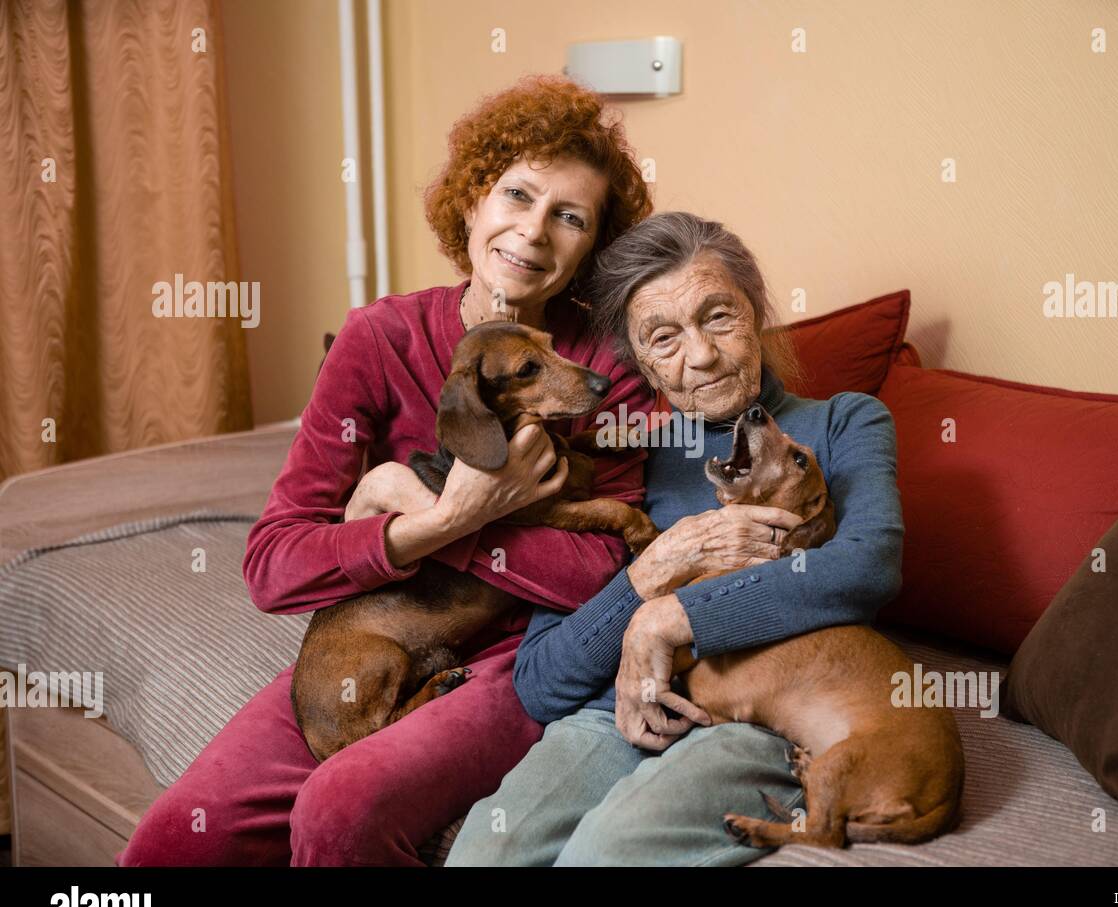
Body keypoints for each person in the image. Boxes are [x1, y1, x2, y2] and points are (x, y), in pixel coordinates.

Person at [116, 75, 656, 866]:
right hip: (377, 641)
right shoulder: (381, 338)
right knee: (170, 844)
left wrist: (458, 520)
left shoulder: (608, 364)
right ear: (472, 201)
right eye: (516, 195)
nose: (533, 232)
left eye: (568, 217)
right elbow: (272, 566)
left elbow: (611, 571)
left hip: (515, 659)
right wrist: (435, 523)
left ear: (592, 249)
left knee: (341, 812)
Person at [445, 211, 905, 866]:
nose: (702, 355)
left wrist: (672, 618)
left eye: (719, 317)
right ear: (641, 365)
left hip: (765, 714)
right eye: (664, 337)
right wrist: (644, 582)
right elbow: (542, 679)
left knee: (606, 854)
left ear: (756, 311)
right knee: (486, 854)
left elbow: (869, 567)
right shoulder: (616, 459)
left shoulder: (845, 422)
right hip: (613, 712)